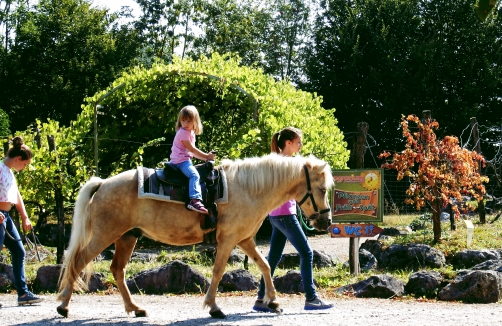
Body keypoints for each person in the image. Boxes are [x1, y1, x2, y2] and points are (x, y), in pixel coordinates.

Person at [253, 127, 334, 312]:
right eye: (298, 142)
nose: (301, 145)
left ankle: (261, 299)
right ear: (288, 143)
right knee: (307, 253)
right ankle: (311, 298)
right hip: (285, 216)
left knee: (273, 258)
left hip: (275, 215)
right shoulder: (286, 164)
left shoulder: (281, 162)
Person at [0, 136, 43, 306]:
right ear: (18, 158)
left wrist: (25, 217)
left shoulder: (9, 172)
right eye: (25, 164)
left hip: (6, 218)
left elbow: (16, 196)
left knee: (19, 252)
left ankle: (23, 294)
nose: (25, 167)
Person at [170, 105, 216, 214]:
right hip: (180, 162)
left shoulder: (191, 133)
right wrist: (207, 156)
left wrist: (206, 158)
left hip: (185, 160)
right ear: (179, 121)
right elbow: (192, 149)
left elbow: (192, 153)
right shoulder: (183, 133)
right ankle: (194, 200)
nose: (185, 123)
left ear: (195, 121)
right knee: (194, 175)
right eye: (183, 120)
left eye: (189, 121)